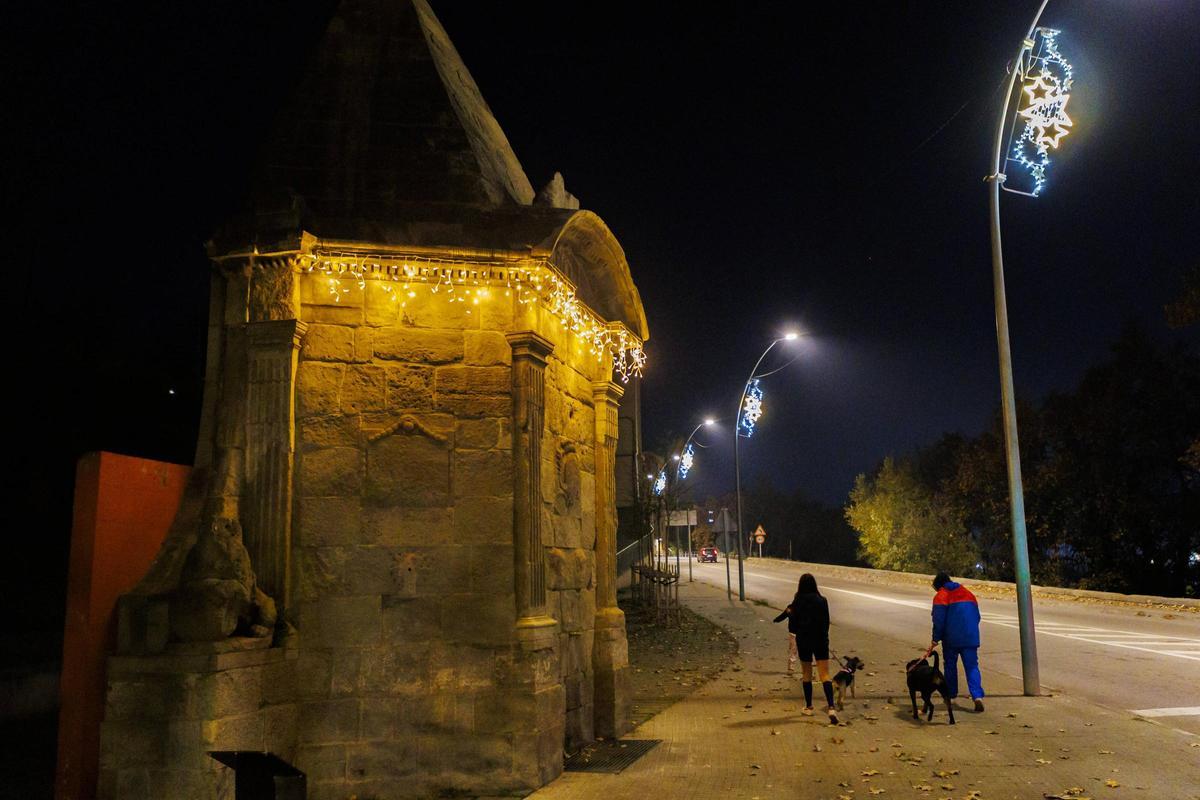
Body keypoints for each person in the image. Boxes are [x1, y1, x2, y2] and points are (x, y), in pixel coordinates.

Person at [773, 573, 838, 723]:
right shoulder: (822, 601)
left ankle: (809, 707)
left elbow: (794, 625)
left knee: (807, 674)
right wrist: (824, 638)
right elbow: (826, 622)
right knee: (825, 675)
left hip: (804, 641)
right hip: (821, 641)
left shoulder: (797, 602)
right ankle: (831, 708)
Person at [930, 571, 985, 712]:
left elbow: (939, 621)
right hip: (970, 637)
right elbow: (977, 616)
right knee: (972, 667)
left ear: (938, 586)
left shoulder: (941, 596)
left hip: (951, 639)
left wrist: (935, 639)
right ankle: (977, 697)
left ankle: (951, 696)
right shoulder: (968, 593)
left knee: (950, 666)